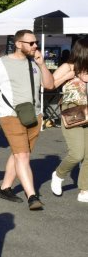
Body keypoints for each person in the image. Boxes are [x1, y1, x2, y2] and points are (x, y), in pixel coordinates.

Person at [0, 29, 54, 210]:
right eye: (31, 43)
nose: (35, 46)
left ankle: (5, 188)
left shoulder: (35, 63)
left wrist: (42, 65)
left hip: (35, 115)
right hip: (11, 115)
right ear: (19, 44)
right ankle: (32, 196)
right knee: (23, 155)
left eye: (36, 42)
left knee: (19, 153)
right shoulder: (3, 63)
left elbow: (50, 85)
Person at [49, 36, 88, 202]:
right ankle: (59, 175)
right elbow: (49, 84)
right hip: (72, 109)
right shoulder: (68, 66)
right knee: (77, 154)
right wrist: (68, 76)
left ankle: (84, 189)